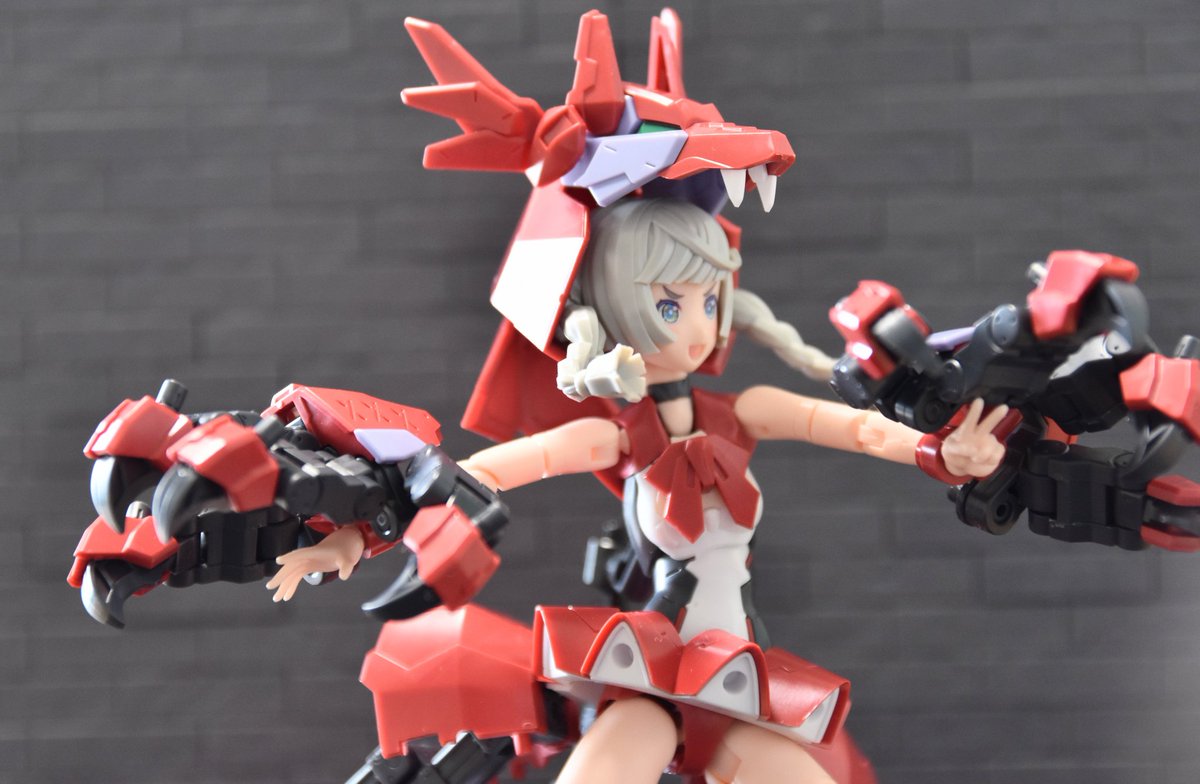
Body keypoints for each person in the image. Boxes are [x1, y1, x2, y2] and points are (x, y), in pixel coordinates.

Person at [269, 196, 1007, 784]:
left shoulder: (744, 413)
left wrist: (943, 452)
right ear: (610, 310)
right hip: (655, 666)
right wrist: (357, 533)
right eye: (669, 305)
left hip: (737, 669)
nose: (697, 329)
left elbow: (860, 430)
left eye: (709, 301)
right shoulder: (616, 438)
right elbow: (474, 475)